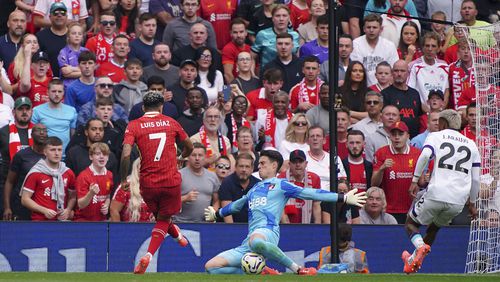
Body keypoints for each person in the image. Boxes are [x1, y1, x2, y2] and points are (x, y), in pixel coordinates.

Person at [203, 149, 367, 275]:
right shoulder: (255, 188)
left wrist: (342, 197)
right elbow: (236, 206)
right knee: (211, 267)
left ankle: (297, 269)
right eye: (259, 163)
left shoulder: (281, 185)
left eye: (263, 163)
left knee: (256, 241)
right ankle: (261, 271)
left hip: (268, 232)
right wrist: (216, 214)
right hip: (249, 241)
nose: (259, 166)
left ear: (274, 166)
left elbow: (311, 193)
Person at [121, 91, 194, 274]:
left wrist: (123, 179)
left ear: (143, 108)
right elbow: (190, 146)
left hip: (148, 183)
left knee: (162, 218)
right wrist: (181, 157)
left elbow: (126, 154)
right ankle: (149, 255)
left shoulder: (134, 125)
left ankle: (177, 236)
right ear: (161, 107)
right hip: (170, 181)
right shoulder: (171, 122)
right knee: (164, 219)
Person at [402, 109, 480, 274]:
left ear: (443, 123)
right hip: (458, 201)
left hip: (437, 193)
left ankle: (420, 247)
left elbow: (424, 156)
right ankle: (413, 261)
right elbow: (476, 179)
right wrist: (472, 204)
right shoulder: (472, 144)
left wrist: (415, 180)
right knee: (434, 227)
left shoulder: (435, 136)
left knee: (411, 223)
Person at [371, 121, 421, 223]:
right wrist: (382, 168)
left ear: (408, 136)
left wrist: (425, 178)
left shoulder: (417, 153)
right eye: (394, 134)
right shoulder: (381, 153)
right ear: (389, 136)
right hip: (388, 210)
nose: (397, 137)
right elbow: (374, 184)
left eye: (401, 134)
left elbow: (421, 183)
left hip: (411, 209)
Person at [20, 136, 76, 221]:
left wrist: (68, 210)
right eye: (52, 150)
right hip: (40, 221)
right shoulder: (36, 172)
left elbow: (73, 196)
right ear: (45, 152)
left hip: (61, 221)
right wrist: (44, 210)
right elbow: (25, 199)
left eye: (59, 150)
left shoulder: (68, 172)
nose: (57, 153)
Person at [2, 123, 47, 221]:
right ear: (31, 134)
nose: (42, 133)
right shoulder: (21, 156)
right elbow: (9, 182)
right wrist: (7, 207)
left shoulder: (51, 156)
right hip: (21, 206)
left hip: (43, 207)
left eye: (44, 130)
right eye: (38, 130)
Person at [31, 78, 77, 157]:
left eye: (59, 91)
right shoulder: (37, 110)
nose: (56, 94)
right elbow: (32, 135)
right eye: (53, 91)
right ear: (47, 92)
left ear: (63, 93)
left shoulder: (71, 111)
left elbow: (73, 136)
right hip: (43, 156)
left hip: (65, 156)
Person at [175, 143, 220, 223]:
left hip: (204, 224)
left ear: (205, 157)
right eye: (193, 155)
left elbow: (216, 200)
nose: (197, 158)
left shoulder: (212, 176)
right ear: (188, 157)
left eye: (200, 155)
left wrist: (213, 211)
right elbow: (168, 201)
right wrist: (185, 198)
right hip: (181, 223)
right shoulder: (179, 175)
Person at [350, 14, 398, 86]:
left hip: (384, 89)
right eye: (368, 27)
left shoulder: (389, 46)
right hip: (361, 88)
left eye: (374, 27)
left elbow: (394, 70)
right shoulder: (356, 44)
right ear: (364, 29)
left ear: (381, 29)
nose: (371, 30)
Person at [382, 60, 423, 138]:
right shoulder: (385, 94)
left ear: (408, 73)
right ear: (392, 73)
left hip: (414, 138)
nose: (399, 74)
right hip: (394, 137)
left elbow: (419, 116)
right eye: (396, 71)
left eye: (402, 71)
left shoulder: (415, 94)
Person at [278, 149, 322, 224]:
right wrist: (287, 227)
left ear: (306, 163)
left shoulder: (315, 178)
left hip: (308, 225)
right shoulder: (281, 179)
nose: (298, 165)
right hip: (287, 224)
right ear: (289, 164)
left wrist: (317, 228)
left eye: (300, 162)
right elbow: (279, 206)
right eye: (294, 162)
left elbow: (316, 205)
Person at [408, 32, 450, 109]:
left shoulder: (444, 66)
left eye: (433, 46)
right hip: (421, 111)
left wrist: (441, 108)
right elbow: (411, 91)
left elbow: (446, 90)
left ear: (438, 49)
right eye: (427, 46)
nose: (430, 49)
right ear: (422, 48)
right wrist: (425, 110)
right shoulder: (414, 66)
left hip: (440, 111)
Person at [251, 4, 300, 70]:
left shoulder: (295, 35)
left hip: (289, 74)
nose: (281, 19)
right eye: (277, 16)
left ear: (289, 18)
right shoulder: (262, 34)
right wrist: (253, 75)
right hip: (268, 75)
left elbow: (297, 57)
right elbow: (252, 57)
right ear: (273, 18)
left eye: (284, 16)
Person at [74, 142, 113, 221]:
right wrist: (91, 193)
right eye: (98, 154)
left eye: (105, 154)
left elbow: (108, 195)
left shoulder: (110, 175)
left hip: (101, 220)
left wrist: (107, 204)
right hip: (84, 221)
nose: (102, 157)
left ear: (108, 157)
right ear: (91, 157)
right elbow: (81, 205)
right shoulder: (83, 176)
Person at [218, 152, 260, 223]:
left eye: (247, 167)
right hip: (233, 228)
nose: (244, 169)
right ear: (235, 167)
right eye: (241, 166)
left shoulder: (258, 185)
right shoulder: (227, 182)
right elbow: (227, 213)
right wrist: (232, 232)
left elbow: (259, 213)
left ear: (252, 169)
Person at [306, 126, 347, 192]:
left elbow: (342, 181)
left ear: (324, 140)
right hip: (310, 195)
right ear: (307, 141)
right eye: (312, 136)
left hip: (331, 196)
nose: (315, 138)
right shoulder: (303, 159)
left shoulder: (334, 158)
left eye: (318, 136)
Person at [35, 1, 69, 77]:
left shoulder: (73, 35)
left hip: (71, 81)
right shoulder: (40, 36)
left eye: (63, 13)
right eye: (56, 13)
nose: (59, 15)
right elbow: (36, 61)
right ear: (50, 17)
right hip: (48, 81)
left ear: (67, 16)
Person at [58, 23, 89, 88]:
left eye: (79, 34)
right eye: (74, 33)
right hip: (68, 87)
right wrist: (82, 71)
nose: (77, 36)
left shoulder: (86, 51)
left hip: (83, 86)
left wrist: (71, 68)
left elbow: (90, 71)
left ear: (82, 37)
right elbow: (65, 72)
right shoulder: (63, 52)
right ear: (68, 36)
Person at [222, 18, 251, 84]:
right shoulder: (228, 48)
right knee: (225, 92)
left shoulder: (250, 49)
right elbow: (227, 74)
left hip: (247, 84)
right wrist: (238, 91)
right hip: (229, 86)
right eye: (235, 32)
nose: (238, 35)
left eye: (241, 32)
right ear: (231, 33)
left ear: (246, 33)